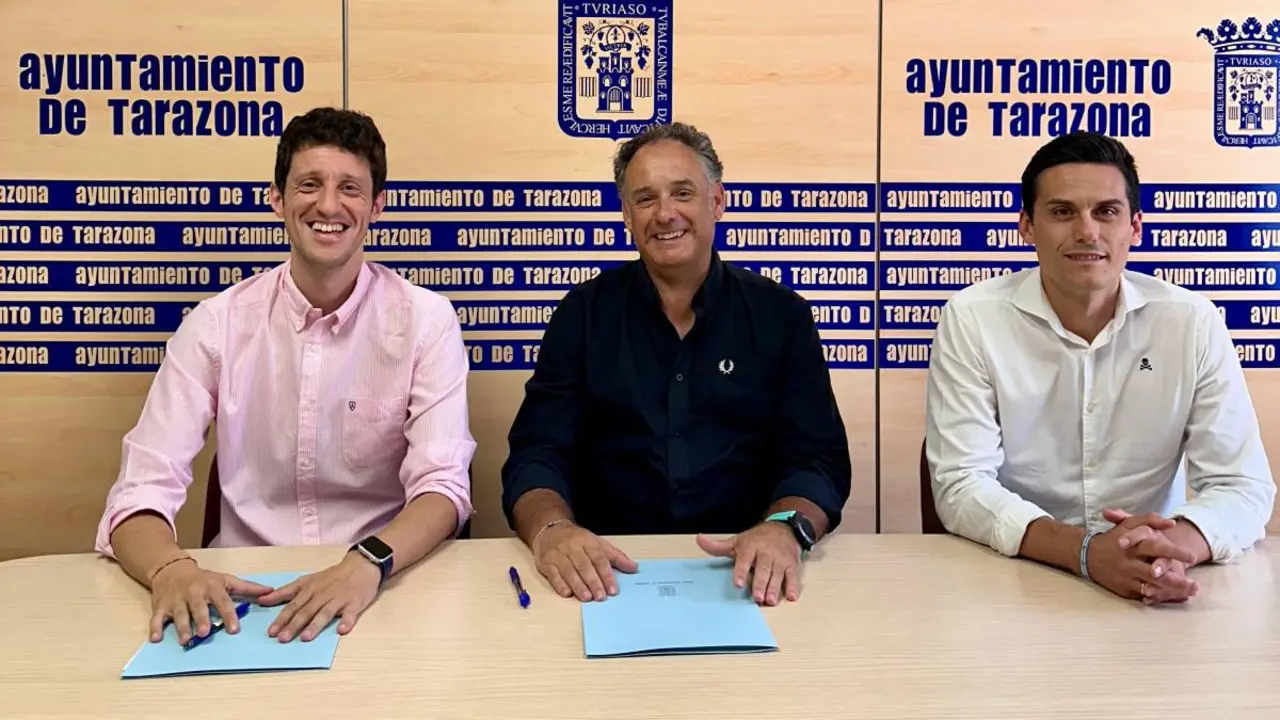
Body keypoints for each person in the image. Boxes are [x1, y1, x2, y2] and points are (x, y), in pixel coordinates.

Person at [93, 107, 476, 646]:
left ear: (376, 206)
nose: (327, 205)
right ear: (277, 199)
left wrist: (367, 562)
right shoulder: (216, 325)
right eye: (309, 185)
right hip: (245, 596)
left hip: (383, 583)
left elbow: (443, 487)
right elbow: (138, 496)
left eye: (350, 188)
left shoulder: (425, 321)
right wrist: (170, 570)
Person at [500, 121, 852, 607]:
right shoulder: (582, 314)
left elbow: (818, 459)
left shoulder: (781, 316)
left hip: (747, 575)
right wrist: (552, 531)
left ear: (717, 202)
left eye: (682, 193)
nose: (665, 214)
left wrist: (783, 531)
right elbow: (537, 452)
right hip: (604, 575)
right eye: (645, 199)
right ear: (626, 215)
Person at [924, 130, 1276, 605]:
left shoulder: (1192, 322)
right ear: (1026, 226)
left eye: (1106, 212)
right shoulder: (973, 318)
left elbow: (1242, 484)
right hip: (1014, 577)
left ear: (1135, 227)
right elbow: (962, 485)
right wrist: (1088, 554)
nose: (1087, 231)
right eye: (1062, 212)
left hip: (1156, 577)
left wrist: (1174, 550)